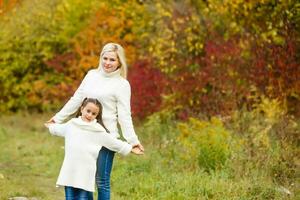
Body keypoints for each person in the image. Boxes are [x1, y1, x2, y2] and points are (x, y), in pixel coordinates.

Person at [47, 42, 144, 200]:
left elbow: (125, 115)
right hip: (84, 134)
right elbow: (77, 99)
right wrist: (58, 118)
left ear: (119, 62)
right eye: (105, 58)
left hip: (106, 136)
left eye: (112, 60)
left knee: (102, 181)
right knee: (85, 179)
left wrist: (132, 140)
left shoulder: (122, 84)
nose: (107, 63)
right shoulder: (91, 75)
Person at [45, 98, 143, 200]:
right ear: (82, 109)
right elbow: (58, 129)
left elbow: (113, 142)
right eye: (88, 111)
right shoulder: (71, 125)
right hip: (70, 171)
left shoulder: (97, 131)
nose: (90, 115)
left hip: (85, 175)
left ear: (97, 115)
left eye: (94, 113)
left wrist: (130, 148)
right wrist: (51, 126)